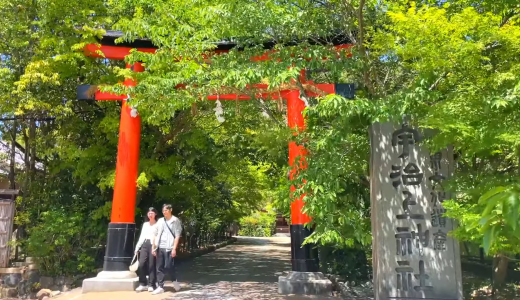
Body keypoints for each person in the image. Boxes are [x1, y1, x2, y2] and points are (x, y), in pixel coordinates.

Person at [151, 204, 182, 295]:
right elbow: (155, 233)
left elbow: (177, 236)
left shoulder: (175, 220)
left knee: (169, 266)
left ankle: (174, 280)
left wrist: (174, 248)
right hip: (160, 246)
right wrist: (154, 246)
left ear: (170, 210)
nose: (164, 212)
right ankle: (160, 286)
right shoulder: (160, 221)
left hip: (169, 247)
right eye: (163, 210)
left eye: (166, 210)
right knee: (159, 267)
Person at [134, 207, 159, 292]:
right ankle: (142, 283)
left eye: (152, 213)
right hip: (145, 244)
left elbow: (158, 237)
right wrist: (137, 247)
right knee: (141, 263)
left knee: (152, 265)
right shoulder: (145, 224)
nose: (150, 214)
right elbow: (142, 236)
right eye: (149, 213)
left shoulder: (158, 224)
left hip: (153, 244)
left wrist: (155, 248)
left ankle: (151, 284)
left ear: (155, 214)